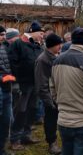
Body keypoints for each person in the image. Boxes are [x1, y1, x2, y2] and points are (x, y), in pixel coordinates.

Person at [9, 21, 44, 150]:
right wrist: (17, 81)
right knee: (20, 111)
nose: (42, 36)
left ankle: (26, 135)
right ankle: (15, 139)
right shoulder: (18, 44)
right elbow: (13, 64)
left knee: (32, 109)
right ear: (33, 32)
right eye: (40, 33)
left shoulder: (38, 46)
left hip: (35, 84)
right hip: (23, 85)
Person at [35, 34, 63, 154]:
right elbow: (41, 83)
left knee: (60, 119)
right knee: (51, 120)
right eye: (58, 44)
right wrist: (48, 101)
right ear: (53, 45)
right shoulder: (42, 60)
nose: (60, 46)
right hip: (50, 96)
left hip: (60, 94)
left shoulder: (58, 56)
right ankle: (52, 142)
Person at [0, 26, 17, 155]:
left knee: (6, 122)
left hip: (7, 90)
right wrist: (2, 78)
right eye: (1, 35)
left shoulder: (3, 48)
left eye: (4, 34)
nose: (4, 37)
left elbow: (7, 66)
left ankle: (2, 149)